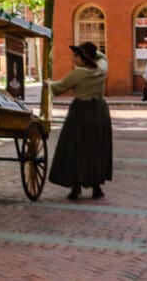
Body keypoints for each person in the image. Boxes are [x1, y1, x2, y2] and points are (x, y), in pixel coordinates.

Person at [47, 41, 113, 200]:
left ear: (84, 58)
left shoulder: (77, 74)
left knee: (75, 147)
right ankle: (96, 186)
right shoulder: (102, 68)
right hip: (99, 110)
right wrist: (90, 55)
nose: (74, 59)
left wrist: (47, 83)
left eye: (77, 56)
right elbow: (102, 56)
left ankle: (75, 186)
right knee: (96, 147)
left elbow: (58, 88)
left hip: (81, 111)